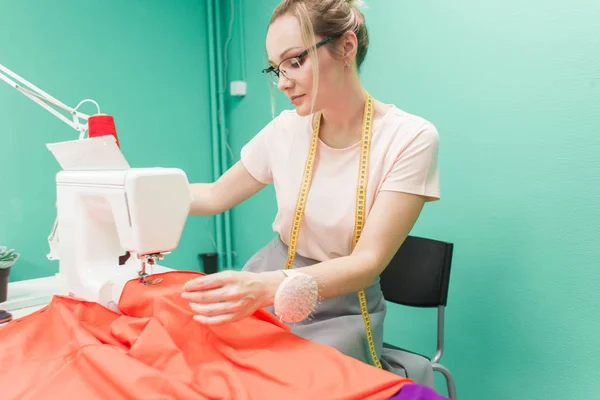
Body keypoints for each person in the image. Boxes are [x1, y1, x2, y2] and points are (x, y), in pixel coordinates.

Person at [181, 0, 440, 383]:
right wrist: (134, 189)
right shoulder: (287, 129)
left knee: (296, 383)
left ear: (346, 47)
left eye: (295, 61)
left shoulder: (410, 138)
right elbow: (214, 196)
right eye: (276, 68)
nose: (282, 81)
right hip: (270, 273)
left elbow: (367, 261)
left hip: (339, 300)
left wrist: (264, 289)